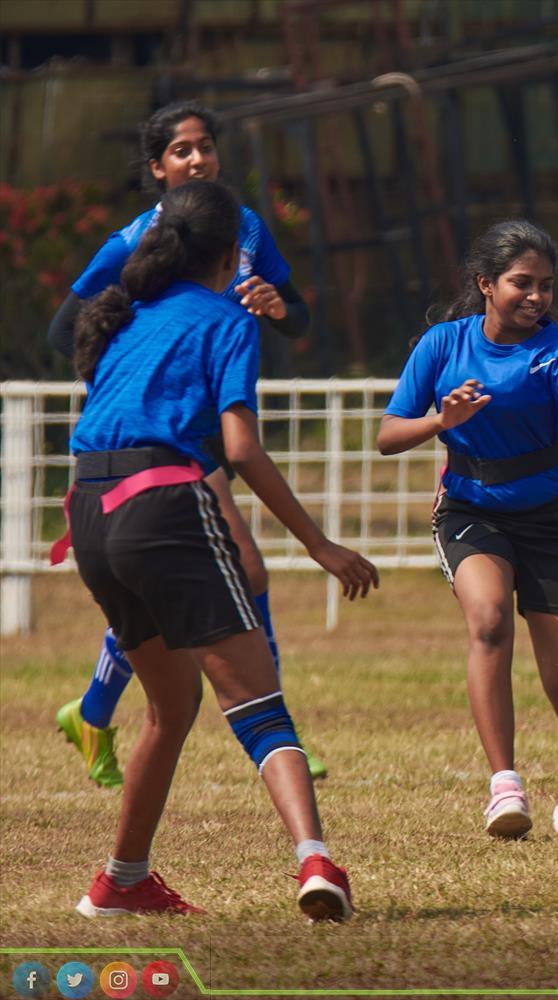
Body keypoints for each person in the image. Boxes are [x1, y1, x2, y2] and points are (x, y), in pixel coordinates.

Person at [64, 180, 376, 918]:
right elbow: (240, 448)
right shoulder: (225, 317)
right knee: (259, 701)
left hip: (89, 513)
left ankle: (122, 881)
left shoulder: (126, 315)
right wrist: (322, 544)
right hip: (160, 506)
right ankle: (316, 863)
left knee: (171, 707)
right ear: (235, 252)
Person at [49, 100, 317, 788]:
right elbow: (65, 329)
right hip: (166, 438)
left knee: (216, 575)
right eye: (181, 150)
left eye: (205, 145)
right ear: (156, 167)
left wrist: (280, 311)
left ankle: (97, 708)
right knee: (239, 570)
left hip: (195, 428)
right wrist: (124, 377)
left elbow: (296, 313)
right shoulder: (132, 238)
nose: (197, 158)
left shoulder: (246, 226)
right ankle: (268, 723)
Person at [378, 220, 558, 840]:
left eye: (546, 285)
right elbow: (387, 436)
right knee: (487, 622)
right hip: (469, 510)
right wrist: (438, 421)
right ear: (485, 284)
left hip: (550, 522)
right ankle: (504, 786)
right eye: (521, 283)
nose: (536, 297)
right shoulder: (441, 346)